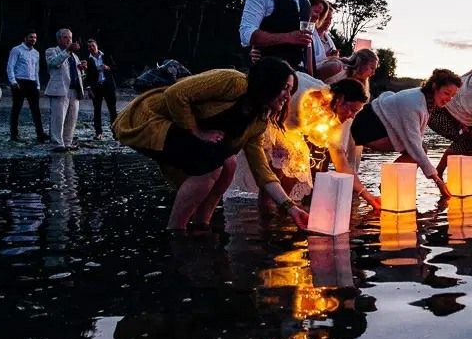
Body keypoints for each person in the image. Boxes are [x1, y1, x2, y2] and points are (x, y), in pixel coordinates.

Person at [113, 57, 311, 231]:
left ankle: (201, 225)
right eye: (285, 87)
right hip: (149, 118)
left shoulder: (258, 122)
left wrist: (290, 208)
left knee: (230, 163)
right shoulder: (234, 82)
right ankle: (176, 230)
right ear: (268, 83)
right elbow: (175, 94)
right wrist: (197, 132)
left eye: (290, 90)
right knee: (211, 165)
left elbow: (261, 169)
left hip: (183, 132)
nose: (288, 96)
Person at [232, 73, 377, 209]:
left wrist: (367, 195)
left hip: (290, 132)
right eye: (351, 109)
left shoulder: (337, 120)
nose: (351, 116)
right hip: (270, 121)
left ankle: (284, 208)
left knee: (298, 166)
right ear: (339, 99)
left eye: (355, 112)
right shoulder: (308, 91)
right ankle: (268, 209)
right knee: (283, 159)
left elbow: (340, 159)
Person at [350, 68, 462, 198]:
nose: (449, 99)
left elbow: (417, 141)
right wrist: (438, 181)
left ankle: (390, 185)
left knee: (419, 150)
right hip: (367, 126)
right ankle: (388, 185)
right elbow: (414, 146)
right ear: (435, 86)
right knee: (417, 151)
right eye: (446, 93)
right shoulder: (414, 103)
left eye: (453, 96)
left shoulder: (427, 100)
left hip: (380, 125)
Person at [44, 29, 85, 152]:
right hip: (60, 90)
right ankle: (57, 143)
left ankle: (67, 142)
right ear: (59, 39)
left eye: (70, 37)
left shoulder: (75, 56)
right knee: (58, 118)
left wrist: (82, 69)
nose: (69, 40)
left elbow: (79, 75)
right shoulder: (51, 51)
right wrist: (68, 51)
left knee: (72, 118)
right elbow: (53, 63)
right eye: (66, 37)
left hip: (74, 90)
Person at [6, 30, 48, 143]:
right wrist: (13, 81)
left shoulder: (36, 53)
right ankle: (14, 134)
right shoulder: (16, 50)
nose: (33, 39)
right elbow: (10, 66)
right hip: (20, 82)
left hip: (32, 82)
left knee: (36, 110)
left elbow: (36, 70)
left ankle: (40, 133)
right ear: (25, 38)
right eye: (31, 37)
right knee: (16, 109)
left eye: (34, 37)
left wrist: (38, 85)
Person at [84, 39, 117, 139]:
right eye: (89, 47)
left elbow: (115, 68)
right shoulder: (88, 60)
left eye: (93, 46)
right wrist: (88, 88)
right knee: (97, 110)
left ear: (97, 46)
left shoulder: (106, 56)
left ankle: (116, 132)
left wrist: (107, 67)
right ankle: (98, 133)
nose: (91, 48)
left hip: (108, 86)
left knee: (112, 110)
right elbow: (87, 76)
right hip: (96, 87)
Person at [305, 0, 338, 67]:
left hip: (310, 72)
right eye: (316, 12)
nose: (317, 17)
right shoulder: (301, 29)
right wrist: (328, 58)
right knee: (336, 66)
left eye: (320, 14)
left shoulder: (312, 32)